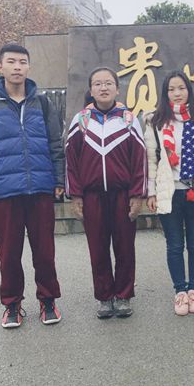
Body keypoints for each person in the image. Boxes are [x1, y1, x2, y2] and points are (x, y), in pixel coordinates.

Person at [0, 43, 64, 328]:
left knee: (45, 252)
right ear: (1, 66)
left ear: (29, 66)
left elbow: (55, 143)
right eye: (11, 62)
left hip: (40, 188)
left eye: (22, 62)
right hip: (5, 191)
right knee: (8, 254)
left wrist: (58, 180)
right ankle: (12, 304)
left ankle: (48, 300)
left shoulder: (42, 103)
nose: (17, 67)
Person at [65, 67, 147, 319]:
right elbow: (71, 161)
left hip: (122, 195)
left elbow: (140, 160)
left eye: (108, 83)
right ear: (91, 90)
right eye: (98, 84)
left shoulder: (129, 119)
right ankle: (104, 297)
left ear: (117, 89)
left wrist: (137, 194)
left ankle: (123, 295)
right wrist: (75, 195)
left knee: (125, 248)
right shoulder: (81, 121)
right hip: (92, 197)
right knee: (98, 248)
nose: (103, 88)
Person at [144, 70, 194, 316]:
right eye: (171, 89)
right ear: (165, 93)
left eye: (181, 88)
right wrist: (151, 192)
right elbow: (151, 159)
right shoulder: (155, 121)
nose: (177, 93)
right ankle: (180, 291)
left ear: (189, 90)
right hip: (170, 191)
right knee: (175, 245)